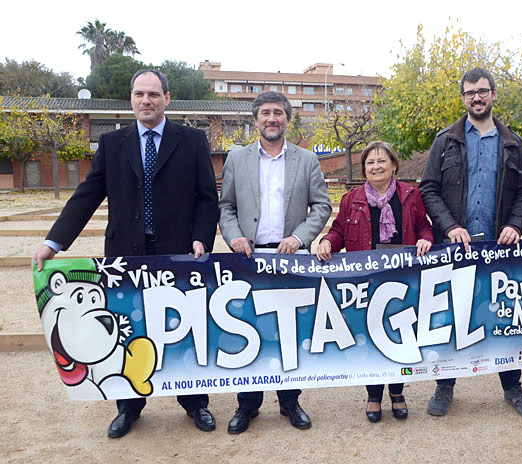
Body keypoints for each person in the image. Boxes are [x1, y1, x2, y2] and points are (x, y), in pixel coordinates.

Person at [32, 69, 219, 438]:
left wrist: (201, 238)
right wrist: (54, 241)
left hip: (177, 253)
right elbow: (88, 194)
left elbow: (207, 198)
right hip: (125, 253)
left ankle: (195, 403)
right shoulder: (113, 143)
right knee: (128, 327)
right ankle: (128, 407)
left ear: (167, 98)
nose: (145, 101)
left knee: (181, 327)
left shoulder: (193, 140)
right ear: (131, 99)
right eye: (139, 94)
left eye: (153, 94)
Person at [419, 68, 522, 419]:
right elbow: (429, 188)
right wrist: (450, 226)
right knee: (453, 318)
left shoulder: (512, 143)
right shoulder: (446, 140)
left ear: (493, 94)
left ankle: (512, 386)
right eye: (470, 92)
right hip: (455, 247)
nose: (477, 97)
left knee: (503, 318)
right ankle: (445, 385)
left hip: (499, 249)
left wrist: (517, 225)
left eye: (482, 91)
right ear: (463, 98)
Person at [219, 91, 331, 434]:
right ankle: (247, 405)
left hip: (289, 259)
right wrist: (234, 237)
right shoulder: (236, 158)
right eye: (265, 113)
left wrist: (299, 238)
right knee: (249, 330)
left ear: (287, 119)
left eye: (278, 113)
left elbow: (322, 206)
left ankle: (290, 401)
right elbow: (226, 207)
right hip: (248, 259)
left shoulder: (307, 160)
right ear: (255, 119)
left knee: (288, 331)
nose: (272, 118)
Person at [316, 141, 433, 422]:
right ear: (364, 168)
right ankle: (373, 394)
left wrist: (426, 239)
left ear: (394, 165)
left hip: (401, 278)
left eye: (382, 161)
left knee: (399, 333)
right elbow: (340, 231)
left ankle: (397, 391)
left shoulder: (410, 195)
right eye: (370, 162)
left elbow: (424, 226)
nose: (376, 166)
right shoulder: (351, 198)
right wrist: (326, 242)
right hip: (365, 279)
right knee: (369, 336)